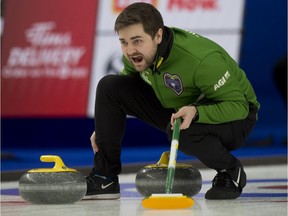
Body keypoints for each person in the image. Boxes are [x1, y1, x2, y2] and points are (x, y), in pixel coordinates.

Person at [84, 2, 260, 200]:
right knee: (110, 86)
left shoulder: (201, 61)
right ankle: (104, 178)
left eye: (137, 41)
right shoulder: (135, 55)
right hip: (178, 107)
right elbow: (125, 86)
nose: (130, 50)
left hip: (235, 118)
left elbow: (239, 107)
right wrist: (106, 126)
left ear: (158, 36)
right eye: (123, 42)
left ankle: (230, 170)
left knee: (181, 131)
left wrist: (197, 111)